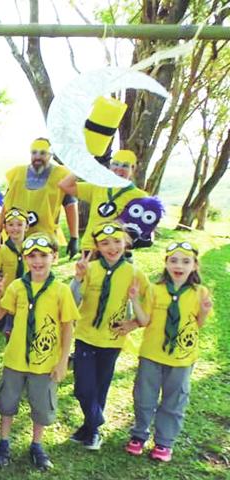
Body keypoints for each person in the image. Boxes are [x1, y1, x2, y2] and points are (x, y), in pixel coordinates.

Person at [0, 233, 79, 470]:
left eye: (43, 256)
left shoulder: (61, 290)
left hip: (45, 362)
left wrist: (62, 362)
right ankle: (4, 442)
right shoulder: (17, 287)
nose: (37, 261)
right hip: (15, 359)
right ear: (25, 258)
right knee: (7, 403)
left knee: (41, 405)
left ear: (55, 257)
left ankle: (37, 444)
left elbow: (68, 327)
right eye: (32, 256)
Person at [119, 242, 212, 462]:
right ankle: (139, 435)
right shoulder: (155, 289)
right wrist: (134, 299)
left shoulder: (200, 292)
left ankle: (164, 442)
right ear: (166, 263)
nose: (179, 265)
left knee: (175, 400)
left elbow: (197, 324)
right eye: (174, 260)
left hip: (182, 358)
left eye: (185, 261)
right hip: (152, 354)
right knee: (144, 397)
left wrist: (205, 313)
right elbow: (144, 320)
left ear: (195, 266)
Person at [69, 222, 150, 450]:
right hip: (86, 335)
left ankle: (91, 431)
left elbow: (151, 301)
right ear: (97, 246)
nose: (112, 247)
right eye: (105, 243)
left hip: (113, 339)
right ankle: (96, 420)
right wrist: (78, 277)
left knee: (100, 386)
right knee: (83, 388)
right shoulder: (91, 269)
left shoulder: (134, 273)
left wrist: (133, 323)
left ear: (126, 242)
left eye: (117, 241)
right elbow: (72, 301)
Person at [0, 138, 79, 259]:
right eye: (34, 152)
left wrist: (74, 237)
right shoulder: (17, 174)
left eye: (43, 153)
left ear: (50, 155)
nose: (37, 157)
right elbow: (7, 203)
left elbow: (70, 206)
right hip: (17, 235)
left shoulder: (61, 175)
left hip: (44, 238)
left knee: (40, 272)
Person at [58, 149, 148, 255]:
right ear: (110, 167)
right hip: (90, 247)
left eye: (125, 166)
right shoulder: (98, 186)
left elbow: (145, 229)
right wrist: (86, 166)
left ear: (133, 168)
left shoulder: (140, 196)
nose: (119, 169)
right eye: (115, 164)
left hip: (116, 251)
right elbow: (64, 185)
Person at [0, 208, 29, 332]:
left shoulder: (32, 250)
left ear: (26, 227)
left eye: (19, 224)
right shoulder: (2, 249)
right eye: (11, 225)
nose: (15, 228)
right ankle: (4, 321)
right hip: (8, 297)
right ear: (5, 227)